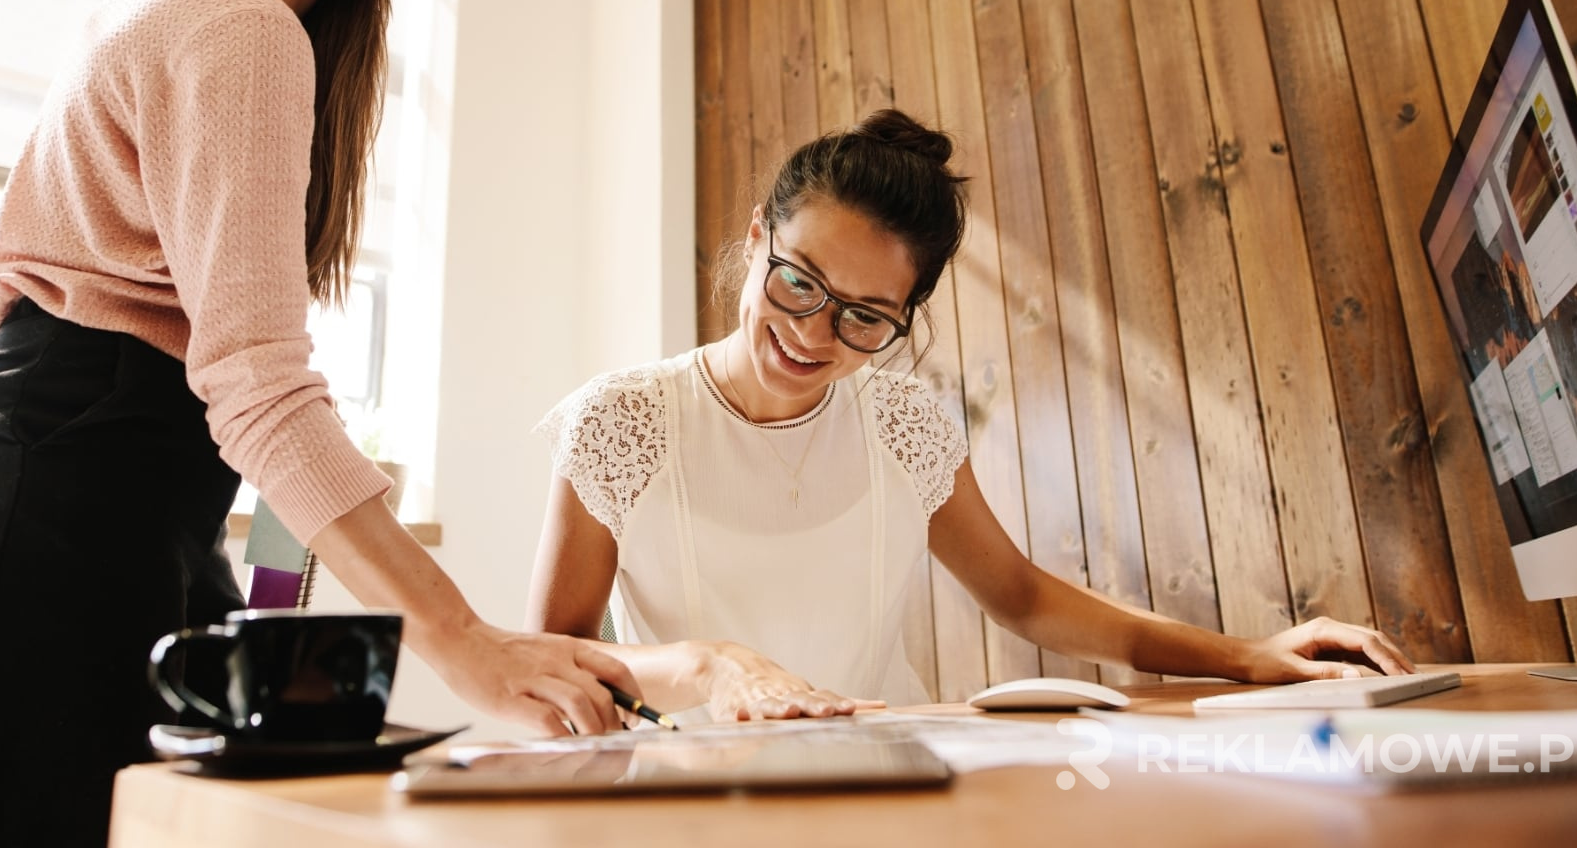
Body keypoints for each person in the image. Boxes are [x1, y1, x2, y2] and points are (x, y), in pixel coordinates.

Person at [0, 0, 637, 844]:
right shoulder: (240, 25)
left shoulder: (234, 9)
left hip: (106, 507)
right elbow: (258, 387)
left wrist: (270, 588)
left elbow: (231, 385)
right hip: (51, 514)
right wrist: (466, 642)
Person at [527, 109, 1415, 720]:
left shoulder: (902, 422)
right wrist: (707, 664)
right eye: (799, 281)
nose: (813, 333)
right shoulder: (623, 421)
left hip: (889, 782)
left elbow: (1021, 596)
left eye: (865, 316)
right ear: (758, 235)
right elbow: (552, 659)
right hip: (692, 801)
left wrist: (1247, 655)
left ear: (904, 315)